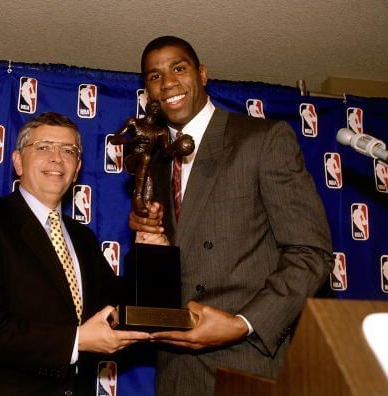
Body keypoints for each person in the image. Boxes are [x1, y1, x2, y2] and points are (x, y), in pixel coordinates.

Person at [130, 36, 334, 395]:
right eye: (154, 76)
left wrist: (244, 324)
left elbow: (310, 252)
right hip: (177, 370)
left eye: (179, 68)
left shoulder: (263, 138)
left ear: (203, 74)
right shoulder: (158, 162)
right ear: (147, 93)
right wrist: (154, 244)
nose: (168, 83)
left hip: (248, 361)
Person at [0, 112, 149, 395]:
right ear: (17, 161)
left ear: (77, 168)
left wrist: (149, 246)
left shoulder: (83, 238)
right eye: (43, 147)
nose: (56, 158)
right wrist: (76, 341)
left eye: (68, 150)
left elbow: (121, 308)